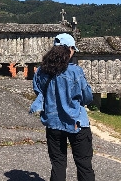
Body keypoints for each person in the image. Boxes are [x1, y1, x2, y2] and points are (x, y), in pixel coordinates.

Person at [30, 33, 95, 181]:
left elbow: (38, 91)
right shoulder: (75, 71)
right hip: (76, 123)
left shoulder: (41, 71)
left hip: (53, 124)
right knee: (84, 164)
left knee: (58, 164)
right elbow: (87, 97)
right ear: (70, 49)